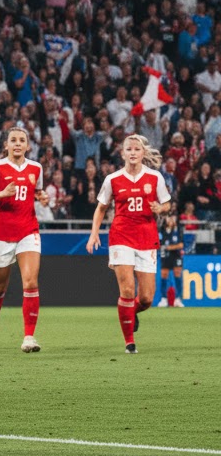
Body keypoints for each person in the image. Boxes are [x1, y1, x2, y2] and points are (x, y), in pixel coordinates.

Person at [86, 134, 171, 354]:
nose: (133, 153)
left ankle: (130, 312)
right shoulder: (113, 179)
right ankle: (129, 343)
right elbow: (101, 208)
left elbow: (167, 204)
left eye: (136, 149)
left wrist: (160, 209)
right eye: (129, 149)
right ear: (123, 153)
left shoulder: (154, 178)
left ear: (143, 153)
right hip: (121, 236)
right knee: (126, 289)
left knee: (146, 298)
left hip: (146, 237)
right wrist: (94, 233)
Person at [0, 127, 48, 354]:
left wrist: (42, 196)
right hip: (1, 233)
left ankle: (28, 337)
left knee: (30, 282)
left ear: (28, 145)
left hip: (28, 230)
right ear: (6, 145)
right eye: (13, 140)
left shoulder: (36, 168)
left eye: (22, 140)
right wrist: (1, 194)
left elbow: (37, 191)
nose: (17, 144)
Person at [157, 211, 184, 307]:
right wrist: (165, 247)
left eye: (173, 217)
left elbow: (181, 244)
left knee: (177, 274)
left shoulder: (179, 229)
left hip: (176, 255)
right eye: (169, 217)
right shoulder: (162, 230)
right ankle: (163, 299)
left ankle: (178, 299)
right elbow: (159, 243)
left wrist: (169, 247)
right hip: (165, 255)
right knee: (164, 275)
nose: (171, 219)